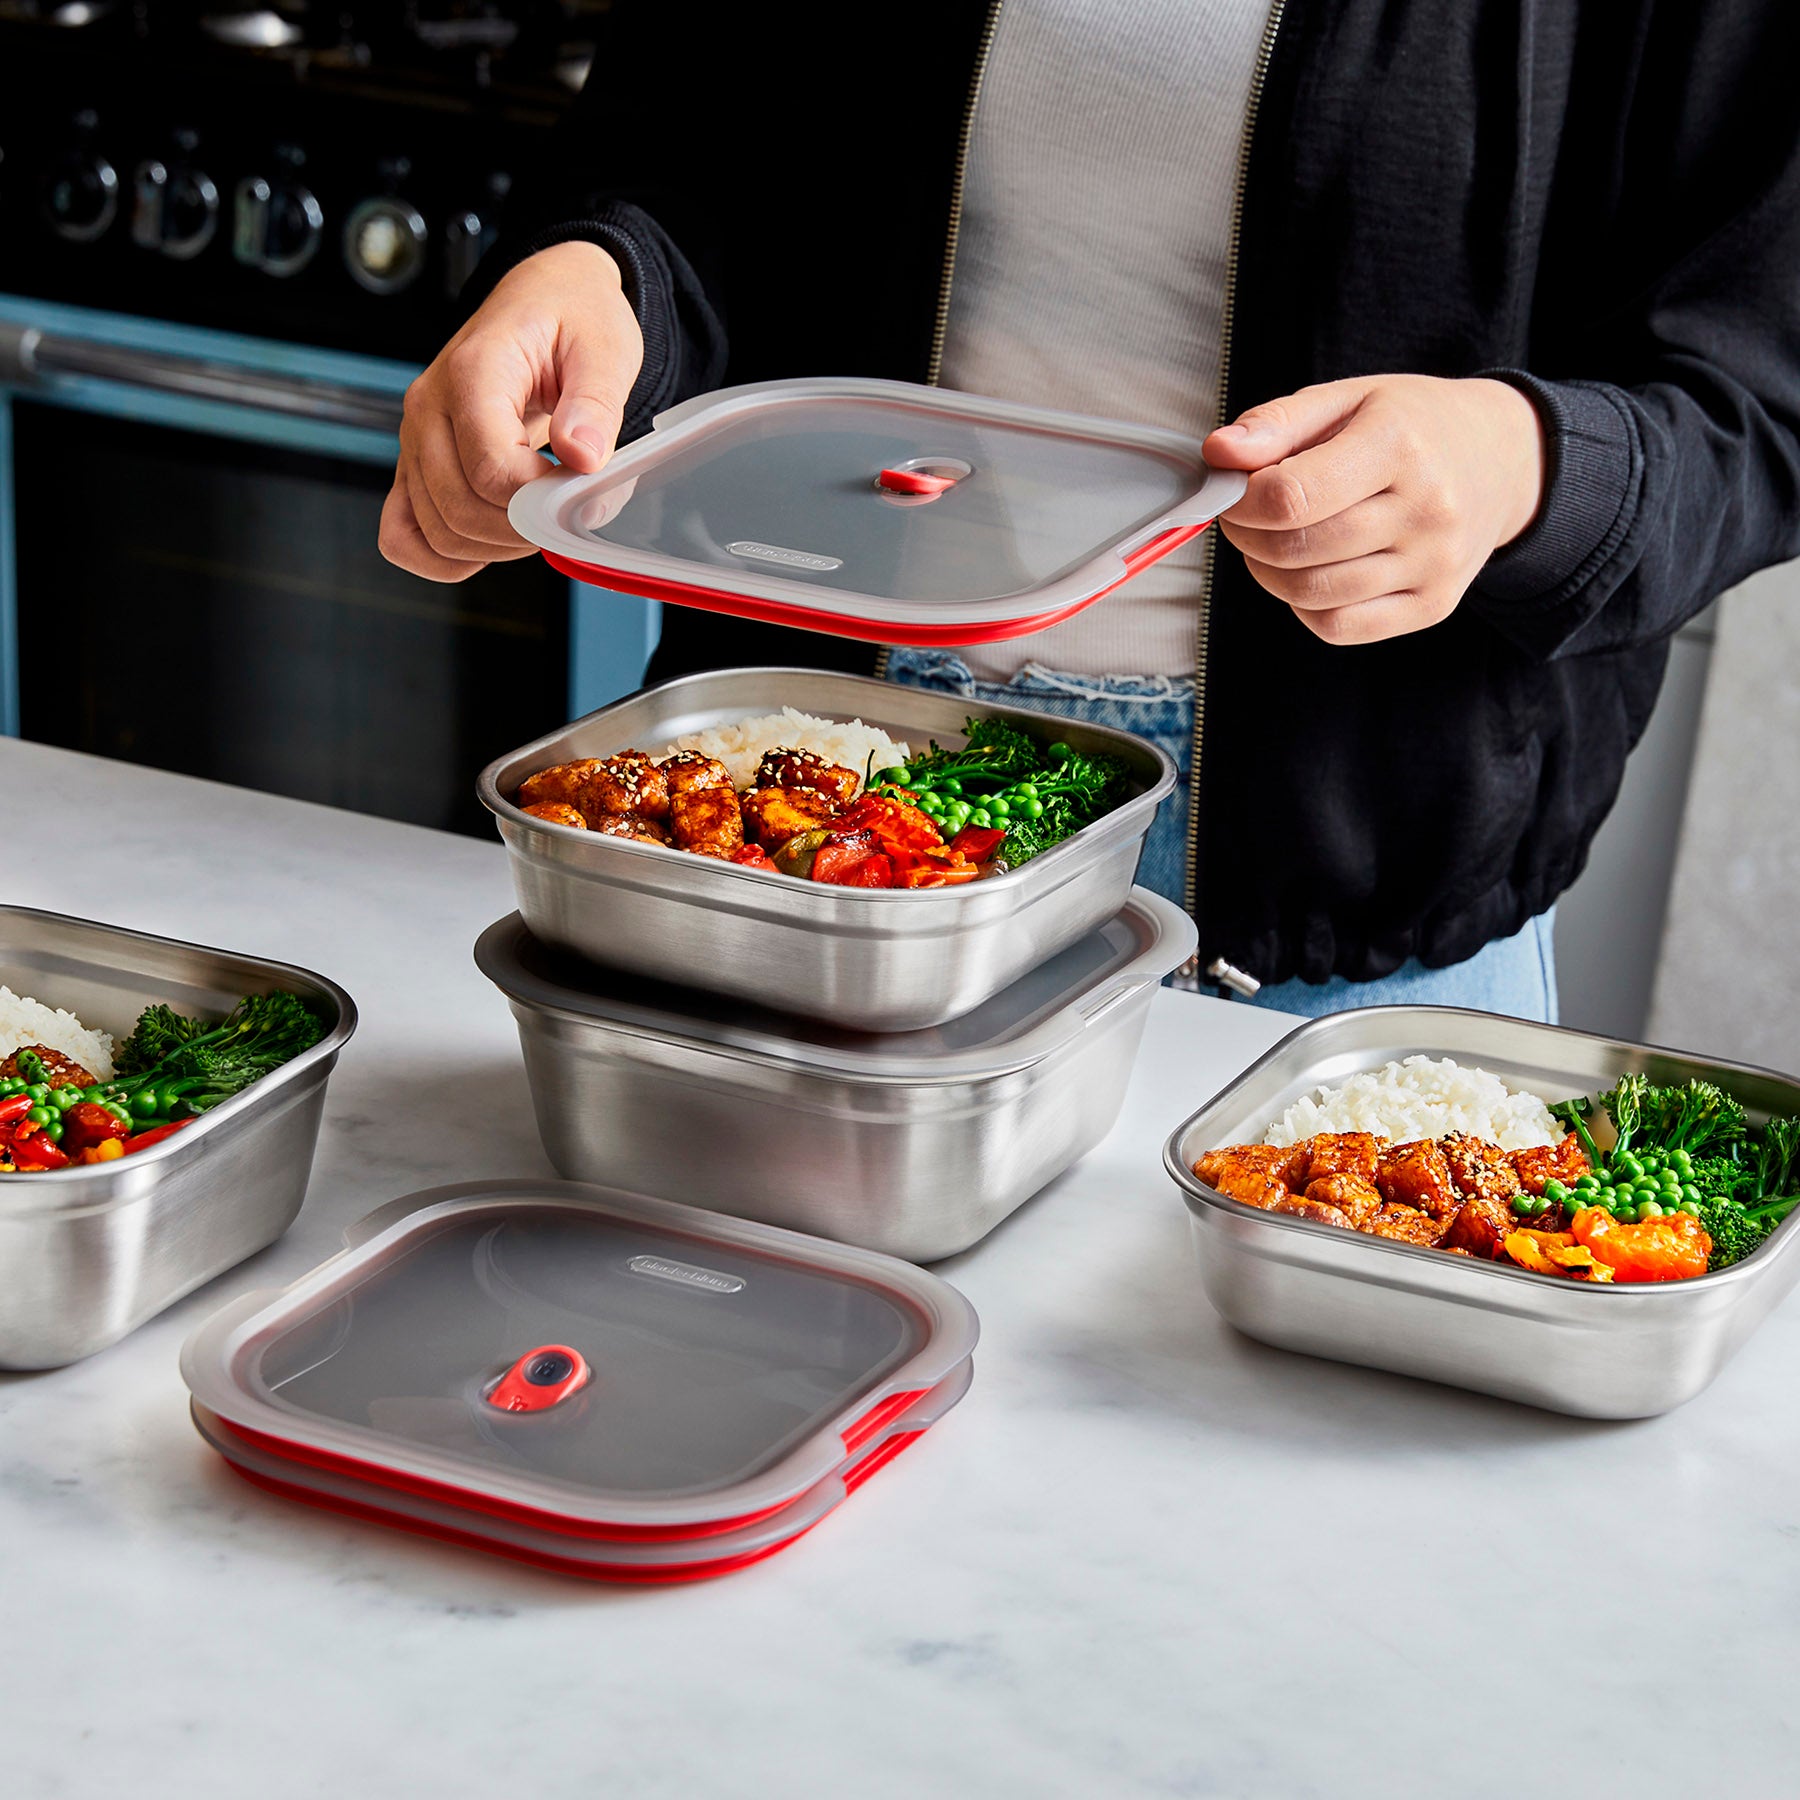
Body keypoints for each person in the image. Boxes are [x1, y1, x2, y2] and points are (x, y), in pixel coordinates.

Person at [378, 2, 1800, 1021]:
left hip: (1337, 947)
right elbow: (680, 149)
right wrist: (593, 270)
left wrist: (1531, 465)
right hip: (780, 817)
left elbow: (1762, 399)